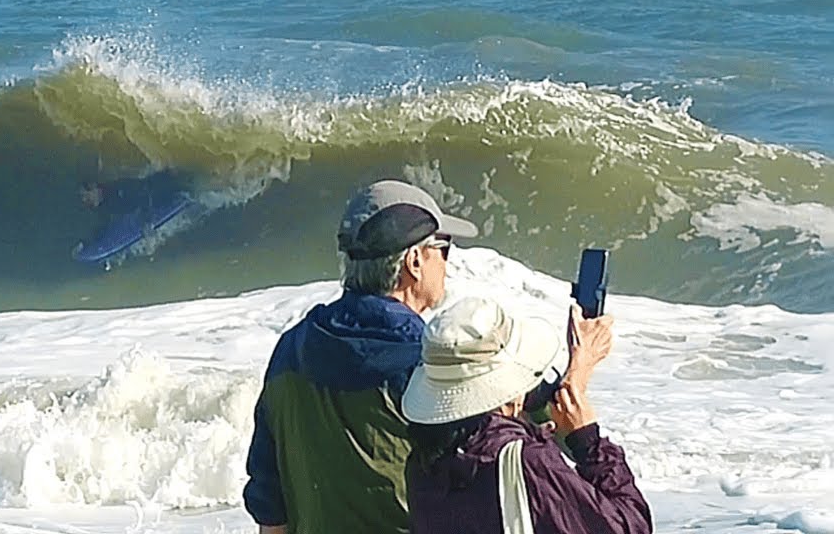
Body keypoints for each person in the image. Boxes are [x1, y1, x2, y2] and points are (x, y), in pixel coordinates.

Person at [243, 179, 479, 534]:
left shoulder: (291, 349)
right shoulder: (428, 361)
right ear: (414, 261)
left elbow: (269, 506)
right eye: (443, 249)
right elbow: (484, 482)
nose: (447, 263)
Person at [399, 297, 652, 534]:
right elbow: (630, 525)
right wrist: (589, 443)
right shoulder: (528, 461)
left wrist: (576, 373)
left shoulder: (423, 463)